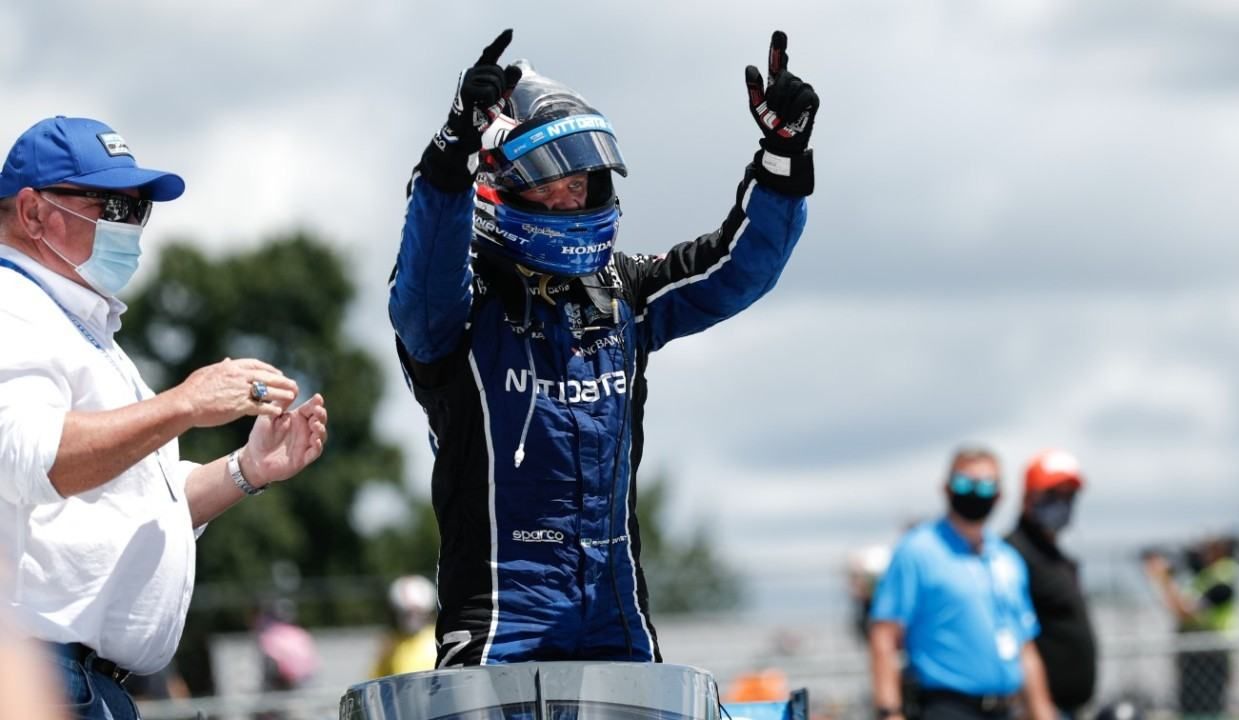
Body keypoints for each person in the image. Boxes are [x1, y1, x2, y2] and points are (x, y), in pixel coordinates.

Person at [388, 29, 817, 666]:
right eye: (548, 181)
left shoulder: (623, 292)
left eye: (582, 179)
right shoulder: (459, 309)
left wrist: (783, 156)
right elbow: (420, 290)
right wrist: (452, 155)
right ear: (498, 185)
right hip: (502, 614)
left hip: (617, 608)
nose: (571, 195)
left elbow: (735, 270)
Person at [0, 116, 329, 720]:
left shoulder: (81, 327)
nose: (130, 225)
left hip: (84, 681)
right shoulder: (11, 307)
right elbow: (34, 458)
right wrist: (185, 402)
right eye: (112, 205)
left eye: (138, 209)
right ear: (32, 212)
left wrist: (247, 469)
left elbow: (134, 503)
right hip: (39, 674)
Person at [868, 447, 1056, 720]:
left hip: (1006, 709)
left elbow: (1025, 646)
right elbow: (884, 633)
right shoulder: (918, 550)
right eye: (965, 483)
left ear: (1000, 494)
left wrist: (1043, 714)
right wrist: (889, 712)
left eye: (985, 486)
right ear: (946, 488)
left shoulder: (1007, 558)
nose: (974, 493)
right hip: (947, 707)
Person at [1004, 449, 1097, 719]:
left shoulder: (1056, 557)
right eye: (1053, 495)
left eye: (1070, 496)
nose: (1063, 503)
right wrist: (1036, 706)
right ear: (1028, 498)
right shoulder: (1011, 555)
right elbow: (1014, 638)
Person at [1143, 535, 1239, 718]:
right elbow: (1179, 608)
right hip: (1199, 653)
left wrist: (1164, 579)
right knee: (1194, 708)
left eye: (1209, 548)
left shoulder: (1223, 578)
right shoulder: (1206, 578)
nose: (1202, 554)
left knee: (1205, 709)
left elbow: (1186, 612)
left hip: (1210, 653)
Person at [371, 574, 438, 677]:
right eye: (406, 614)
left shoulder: (438, 638)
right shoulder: (389, 644)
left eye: (418, 612)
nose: (413, 619)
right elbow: (375, 679)